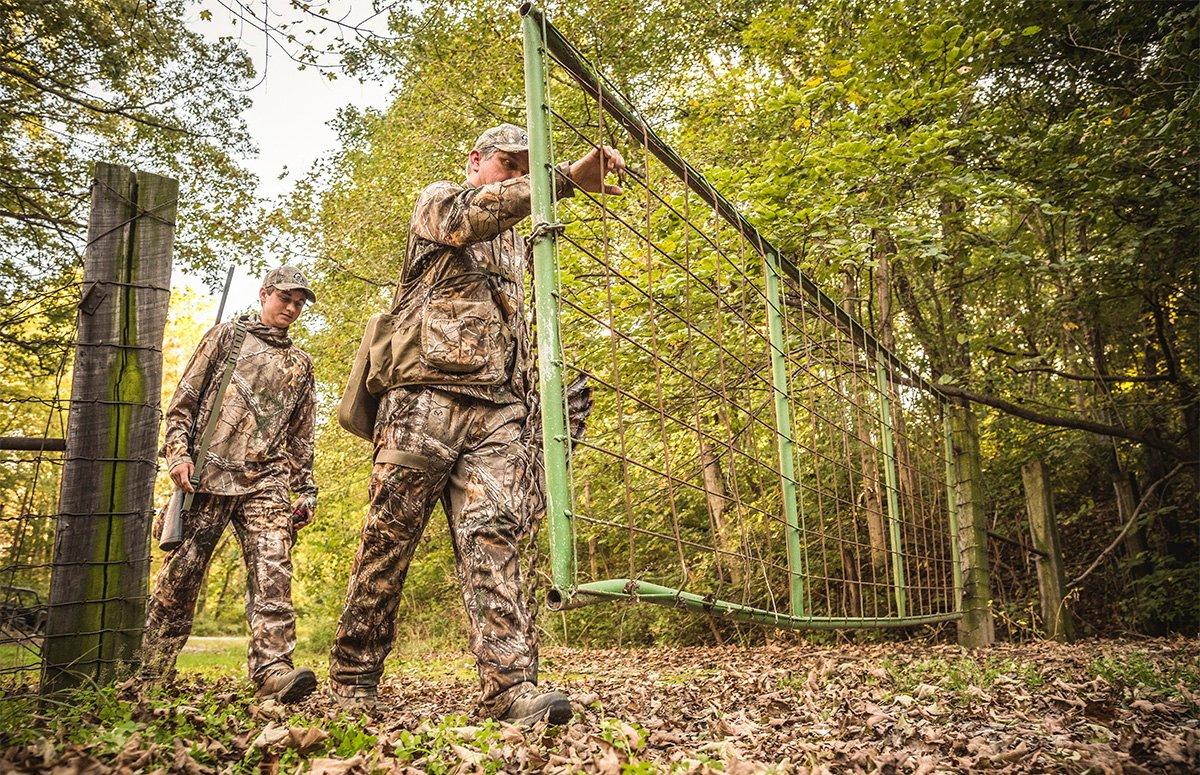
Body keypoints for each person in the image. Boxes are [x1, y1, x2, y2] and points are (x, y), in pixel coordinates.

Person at [329, 124, 625, 725]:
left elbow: (515, 331)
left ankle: (510, 689)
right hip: (422, 406)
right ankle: (353, 675)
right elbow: (477, 215)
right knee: (388, 542)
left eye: (527, 166)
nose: (518, 174)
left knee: (495, 536)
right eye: (509, 163)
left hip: (497, 413)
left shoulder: (522, 246)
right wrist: (564, 177)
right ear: (477, 162)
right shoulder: (440, 202)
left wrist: (542, 408)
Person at [140, 266, 320, 703]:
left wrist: (306, 489)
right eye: (285, 298)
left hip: (267, 481)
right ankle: (149, 671)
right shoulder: (226, 337)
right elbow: (183, 403)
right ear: (264, 294)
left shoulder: (300, 363)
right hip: (207, 476)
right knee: (180, 579)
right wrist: (179, 455)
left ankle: (273, 671)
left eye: (299, 303)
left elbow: (301, 434)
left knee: (274, 573)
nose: (292, 308)